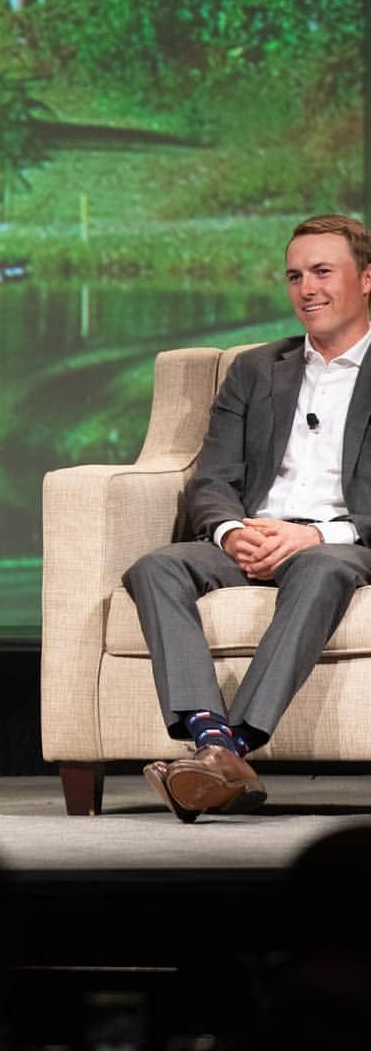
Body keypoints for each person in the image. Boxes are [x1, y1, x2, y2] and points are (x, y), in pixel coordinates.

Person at [123, 214, 371, 822]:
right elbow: (211, 480)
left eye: (322, 272)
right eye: (294, 276)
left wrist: (312, 533)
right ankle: (215, 744)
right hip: (252, 538)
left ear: (367, 279)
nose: (306, 289)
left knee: (320, 569)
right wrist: (234, 532)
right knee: (156, 568)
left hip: (341, 542)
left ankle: (232, 747)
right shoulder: (258, 369)